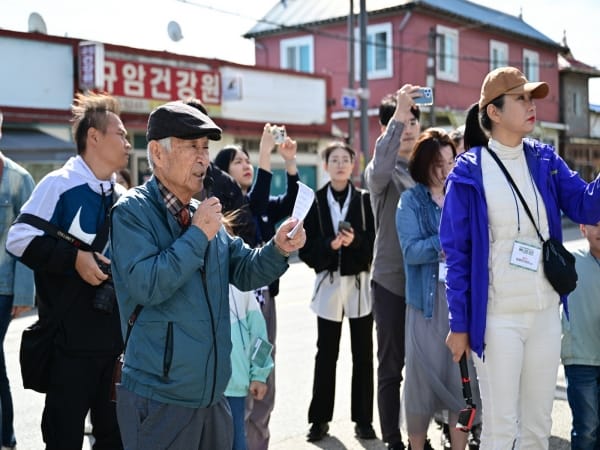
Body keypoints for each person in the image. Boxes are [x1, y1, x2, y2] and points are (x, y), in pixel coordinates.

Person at [109, 101, 306, 449]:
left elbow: (245, 269)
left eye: (206, 148)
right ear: (157, 153)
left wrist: (278, 248)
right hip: (161, 397)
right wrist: (197, 236)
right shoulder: (132, 211)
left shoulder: (202, 212)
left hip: (213, 396)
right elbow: (148, 285)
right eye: (192, 148)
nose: (203, 159)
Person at [441, 66, 600, 449]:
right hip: (497, 320)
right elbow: (457, 256)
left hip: (546, 314)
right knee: (500, 427)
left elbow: (586, 205)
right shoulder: (469, 171)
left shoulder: (545, 160)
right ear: (493, 112)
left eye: (532, 98)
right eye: (521, 98)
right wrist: (459, 324)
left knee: (537, 426)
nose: (532, 106)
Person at [6, 92, 131, 449]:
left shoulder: (123, 195)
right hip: (68, 346)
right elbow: (18, 238)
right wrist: (73, 258)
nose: (126, 142)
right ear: (94, 137)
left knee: (115, 438)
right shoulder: (59, 184)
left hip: (115, 346)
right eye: (119, 134)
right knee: (63, 439)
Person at [214, 126, 299, 450]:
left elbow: (291, 199)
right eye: (238, 161)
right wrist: (265, 152)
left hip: (264, 303)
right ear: (222, 172)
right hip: (237, 303)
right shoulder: (230, 207)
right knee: (239, 381)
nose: (246, 164)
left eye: (249, 159)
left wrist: (289, 162)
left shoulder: (260, 207)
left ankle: (257, 440)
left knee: (263, 369)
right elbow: (256, 200)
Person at [396, 128, 479, 450]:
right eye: (437, 163)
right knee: (419, 386)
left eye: (450, 160)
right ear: (422, 164)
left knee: (462, 382)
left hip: (460, 303)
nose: (446, 169)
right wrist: (445, 243)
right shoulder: (411, 200)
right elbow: (411, 251)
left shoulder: (463, 195)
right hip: (426, 306)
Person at [299, 141, 376, 442]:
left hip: (359, 285)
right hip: (329, 285)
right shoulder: (316, 201)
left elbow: (375, 243)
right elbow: (304, 247)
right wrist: (329, 246)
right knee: (326, 354)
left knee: (363, 355)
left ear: (353, 165)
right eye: (335, 159)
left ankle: (364, 420)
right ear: (326, 165)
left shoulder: (364, 200)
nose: (341, 164)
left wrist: (355, 241)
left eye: (346, 159)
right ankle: (319, 420)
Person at [364, 86, 423, 450]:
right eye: (404, 121)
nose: (411, 127)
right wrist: (399, 113)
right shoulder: (381, 172)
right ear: (388, 128)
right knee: (390, 368)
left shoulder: (426, 169)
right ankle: (392, 440)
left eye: (415, 120)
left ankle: (420, 436)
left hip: (426, 283)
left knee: (424, 367)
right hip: (390, 282)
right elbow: (381, 162)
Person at [222, 211, 274, 450]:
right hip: (202, 389)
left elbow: (260, 336)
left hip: (236, 386)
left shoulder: (242, 288)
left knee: (236, 442)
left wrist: (259, 374)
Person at [0, 110, 36, 450]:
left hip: (4, 286)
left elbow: (29, 239)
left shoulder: (19, 178)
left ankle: (5, 435)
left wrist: (26, 291)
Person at [561, 221, 600, 450]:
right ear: (583, 228)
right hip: (579, 359)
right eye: (595, 225)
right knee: (587, 429)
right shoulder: (569, 261)